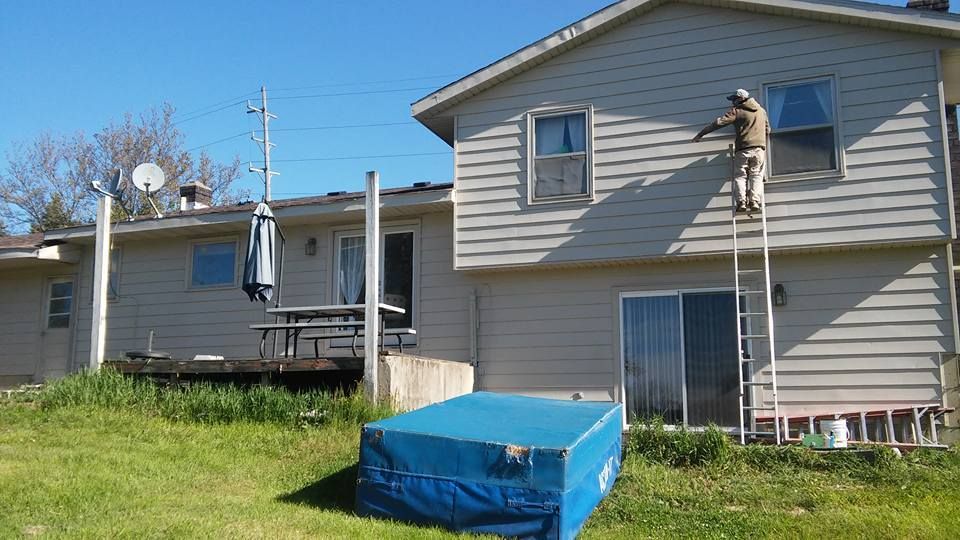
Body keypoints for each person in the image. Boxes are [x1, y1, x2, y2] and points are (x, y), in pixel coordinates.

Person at [692, 89, 770, 212]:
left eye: (734, 99)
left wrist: (701, 134)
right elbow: (767, 130)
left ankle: (741, 202)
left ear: (741, 99)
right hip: (759, 149)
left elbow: (719, 123)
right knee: (756, 175)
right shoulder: (762, 111)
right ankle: (754, 201)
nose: (732, 102)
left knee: (740, 176)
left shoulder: (737, 111)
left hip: (743, 149)